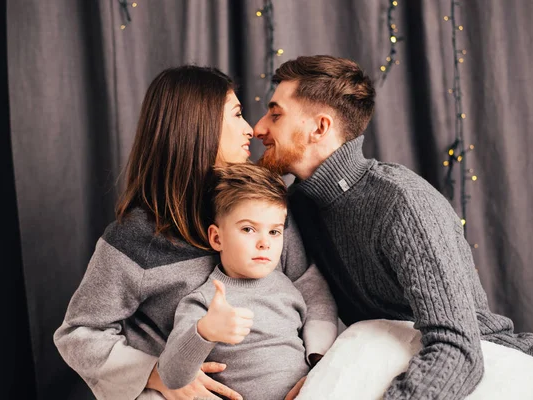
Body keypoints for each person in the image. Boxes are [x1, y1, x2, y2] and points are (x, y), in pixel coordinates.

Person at [253, 55, 533, 399]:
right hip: (399, 365)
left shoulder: (400, 202)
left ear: (320, 127)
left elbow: (457, 349)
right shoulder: (295, 207)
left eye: (276, 114)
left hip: (503, 375)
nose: (258, 128)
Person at [54, 65, 337, 400]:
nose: (250, 130)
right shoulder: (135, 239)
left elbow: (311, 287)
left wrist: (319, 368)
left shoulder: (259, 208)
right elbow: (79, 332)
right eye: (236, 114)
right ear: (197, 125)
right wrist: (156, 375)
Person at [160, 163, 333, 400]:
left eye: (274, 232)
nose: (265, 243)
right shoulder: (206, 302)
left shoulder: (288, 288)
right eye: (249, 229)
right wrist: (205, 331)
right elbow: (171, 376)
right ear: (217, 238)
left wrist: (316, 376)